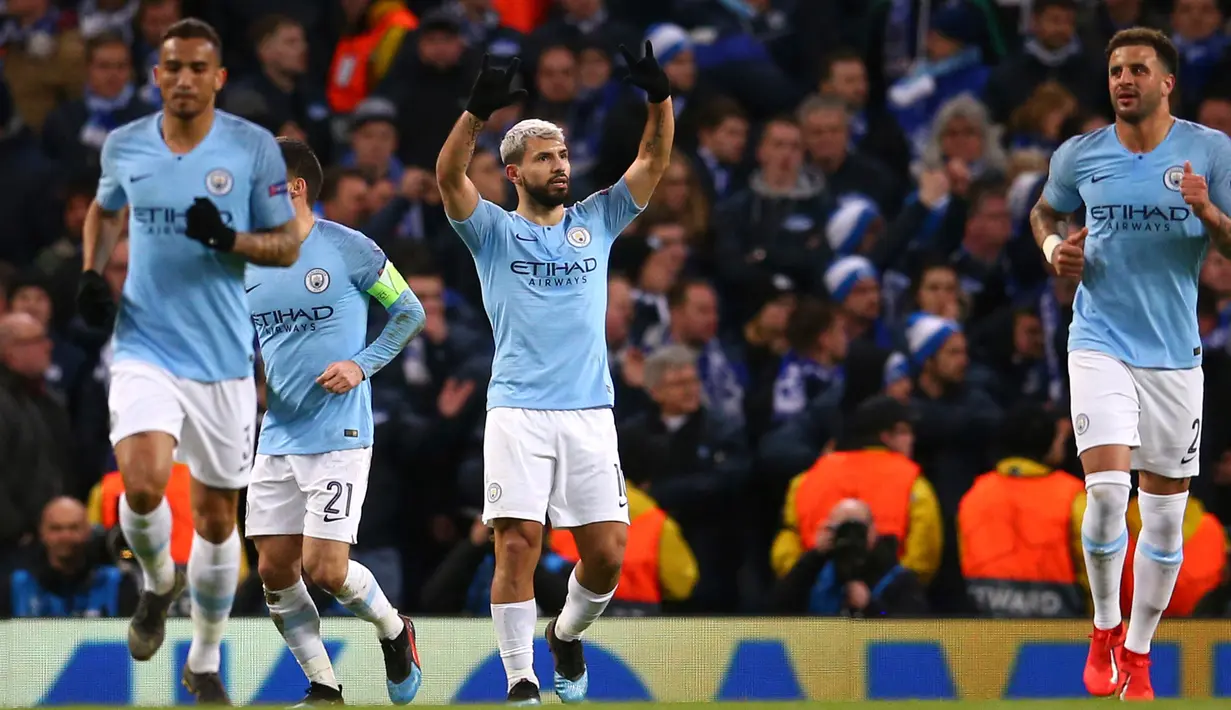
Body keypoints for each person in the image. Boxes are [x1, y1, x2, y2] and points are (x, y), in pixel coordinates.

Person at [434, 43, 674, 705]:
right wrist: (476, 110)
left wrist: (659, 96)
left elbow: (653, 159)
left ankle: (566, 634)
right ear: (513, 171)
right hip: (516, 409)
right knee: (517, 545)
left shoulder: (596, 219)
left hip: (589, 412)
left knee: (607, 556)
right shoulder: (489, 231)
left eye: (563, 154)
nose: (559, 164)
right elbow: (448, 175)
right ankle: (520, 681)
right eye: (544, 156)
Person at [74, 18, 299, 703]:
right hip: (145, 343)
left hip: (226, 359)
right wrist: (92, 270)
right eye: (172, 67)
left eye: (197, 68)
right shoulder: (126, 145)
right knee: (140, 487)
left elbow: (286, 244)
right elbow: (104, 210)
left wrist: (230, 238)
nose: (183, 79)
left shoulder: (253, 148)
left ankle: (202, 659)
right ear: (157, 75)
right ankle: (156, 581)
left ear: (218, 77)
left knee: (213, 520)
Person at [1029, 27, 1231, 700]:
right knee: (1108, 493)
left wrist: (1207, 211)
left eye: (1137, 69)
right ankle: (1103, 628)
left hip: (1173, 354)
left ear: (1165, 81)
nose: (1122, 79)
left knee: (1167, 520)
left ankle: (1139, 657)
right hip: (1098, 340)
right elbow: (1042, 212)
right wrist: (1055, 247)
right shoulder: (1080, 155)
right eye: (1115, 69)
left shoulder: (1209, 151)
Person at [245, 137, 426, 706]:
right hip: (277, 435)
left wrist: (360, 364)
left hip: (339, 435)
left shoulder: (350, 248)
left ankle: (396, 631)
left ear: (294, 187)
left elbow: (409, 311)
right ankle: (325, 686)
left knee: (326, 568)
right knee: (275, 570)